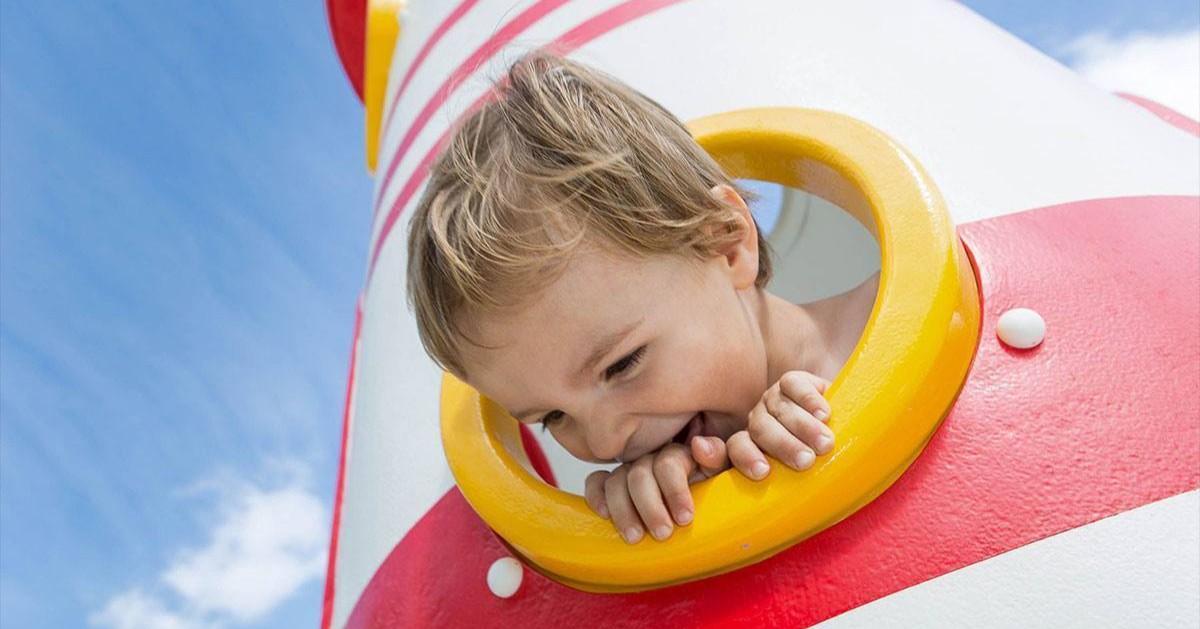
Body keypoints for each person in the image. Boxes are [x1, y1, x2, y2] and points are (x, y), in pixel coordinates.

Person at [406, 52, 879, 545]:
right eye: (554, 418)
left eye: (622, 364)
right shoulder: (666, 475)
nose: (606, 442)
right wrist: (682, 513)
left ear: (726, 243)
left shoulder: (888, 319)